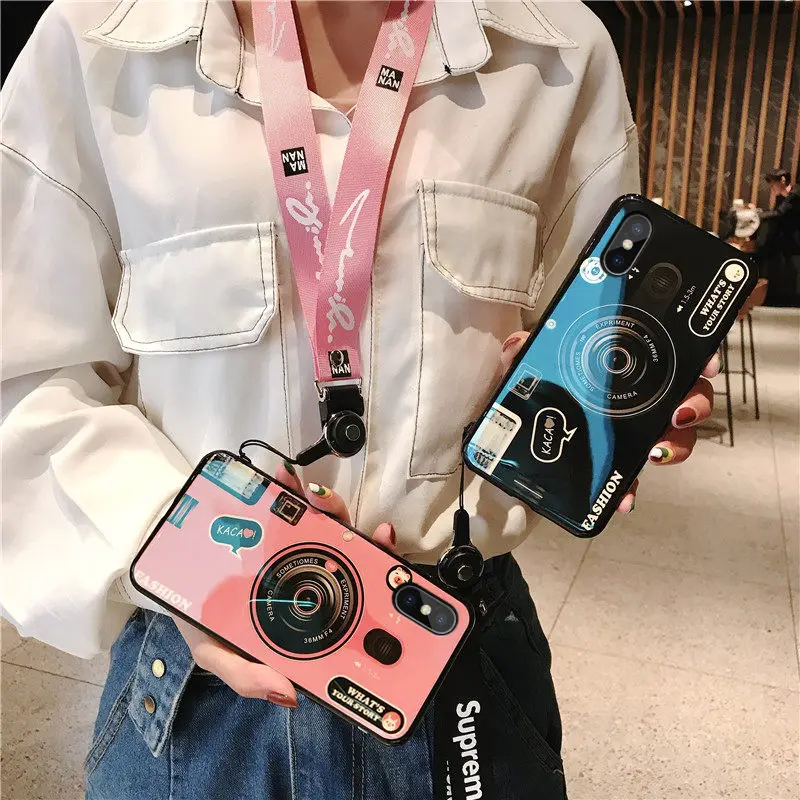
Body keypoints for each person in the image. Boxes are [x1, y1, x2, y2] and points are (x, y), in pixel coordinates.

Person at [0, 2, 718, 798]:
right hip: (202, 684)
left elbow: (584, 345)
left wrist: (617, 411)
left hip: (456, 656)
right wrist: (188, 557)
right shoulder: (96, 40)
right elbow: (24, 378)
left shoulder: (558, 51)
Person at [759, 168, 800, 306]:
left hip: (795, 241)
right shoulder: (782, 196)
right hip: (786, 240)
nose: (771, 187)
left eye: (773, 184)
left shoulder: (795, 194)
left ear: (782, 180)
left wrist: (757, 215)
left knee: (793, 271)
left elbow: (780, 213)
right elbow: (776, 213)